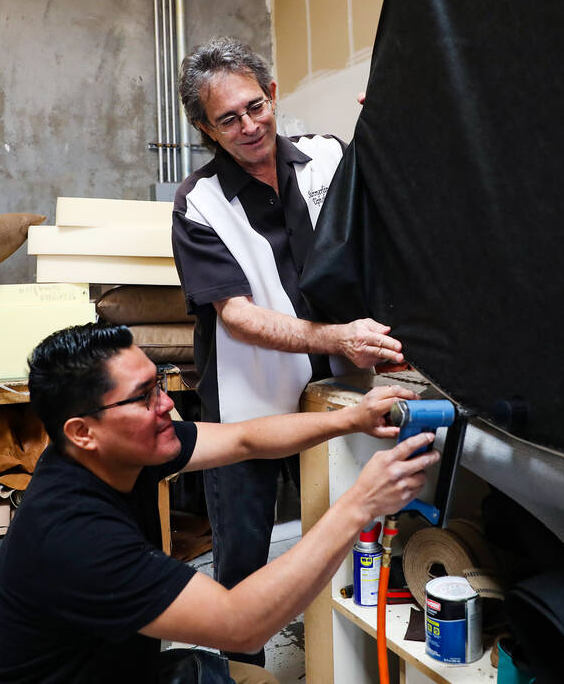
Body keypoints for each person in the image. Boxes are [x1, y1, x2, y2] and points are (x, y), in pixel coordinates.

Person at [0, 324, 438, 684]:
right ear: (82, 431)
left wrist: (352, 418)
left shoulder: (111, 453)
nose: (166, 406)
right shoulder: (73, 533)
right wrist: (359, 504)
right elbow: (240, 626)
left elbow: (244, 439)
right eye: (143, 398)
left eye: (159, 386)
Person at [171, 37, 402, 664]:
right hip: (249, 395)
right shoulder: (200, 202)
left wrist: (397, 122)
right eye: (228, 119)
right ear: (203, 128)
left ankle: (345, 657)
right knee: (243, 555)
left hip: (345, 380)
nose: (249, 126)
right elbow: (238, 315)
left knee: (357, 528)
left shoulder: (328, 157)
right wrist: (332, 337)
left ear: (272, 94)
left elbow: (396, 201)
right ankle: (241, 672)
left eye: (255, 106)